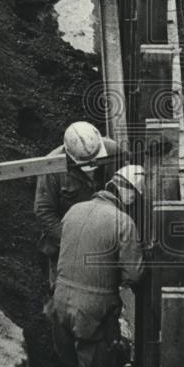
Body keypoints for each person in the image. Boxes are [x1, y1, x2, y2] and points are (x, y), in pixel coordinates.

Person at [50, 164, 146, 367]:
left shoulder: (74, 210)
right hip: (92, 310)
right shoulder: (122, 222)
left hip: (59, 300)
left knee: (72, 363)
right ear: (128, 195)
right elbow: (133, 275)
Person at [34, 121, 122, 289]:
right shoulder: (52, 167)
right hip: (67, 241)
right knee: (64, 290)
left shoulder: (112, 151)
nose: (91, 169)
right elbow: (44, 212)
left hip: (105, 233)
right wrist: (75, 242)